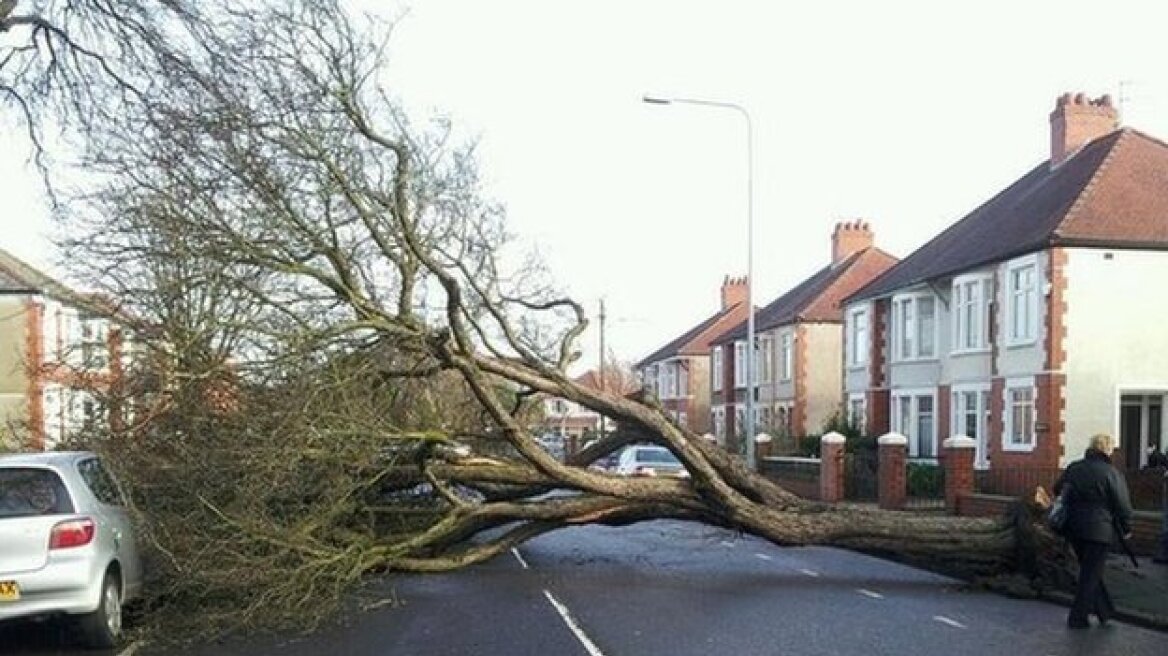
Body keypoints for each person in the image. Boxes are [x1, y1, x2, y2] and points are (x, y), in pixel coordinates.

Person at [1052, 433, 1133, 629]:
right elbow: (1123, 506)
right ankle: (1077, 617)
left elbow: (1057, 489)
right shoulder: (1111, 473)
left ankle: (1105, 611)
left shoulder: (1074, 468)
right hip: (1100, 529)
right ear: (1107, 450)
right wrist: (1126, 527)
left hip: (1073, 528)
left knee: (1089, 571)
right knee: (1090, 574)